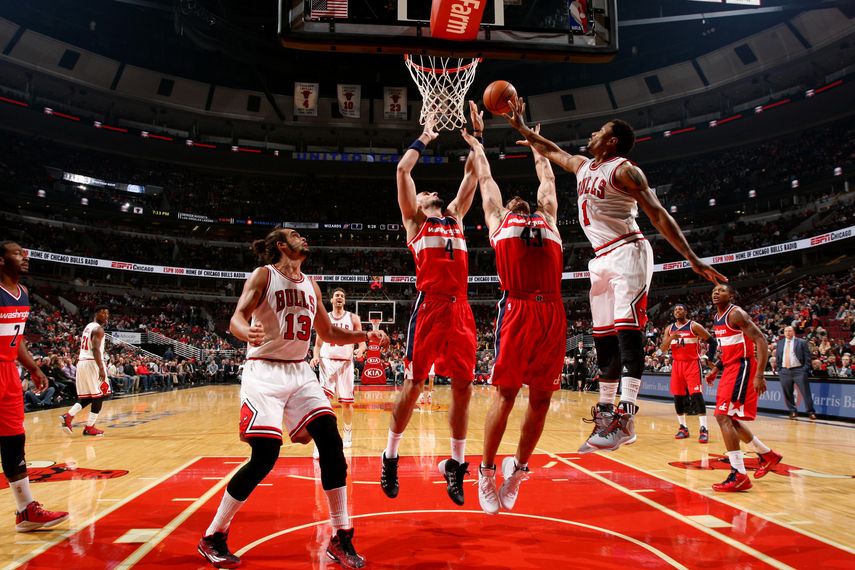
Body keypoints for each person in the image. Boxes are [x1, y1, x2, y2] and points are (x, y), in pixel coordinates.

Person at [503, 100, 726, 453]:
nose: (593, 133)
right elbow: (552, 150)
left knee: (626, 332)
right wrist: (521, 128)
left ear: (612, 142)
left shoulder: (625, 170)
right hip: (601, 259)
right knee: (603, 338)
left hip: (628, 251)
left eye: (600, 131)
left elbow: (657, 213)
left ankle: (628, 416)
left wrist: (692, 257)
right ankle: (607, 414)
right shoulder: (582, 166)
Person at [197, 227, 388, 570]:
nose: (304, 238)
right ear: (282, 245)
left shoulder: (311, 284)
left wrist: (367, 335)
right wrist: (246, 332)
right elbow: (236, 318)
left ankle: (341, 536)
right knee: (265, 457)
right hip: (264, 371)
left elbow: (328, 332)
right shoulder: (264, 275)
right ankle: (214, 534)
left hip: (300, 372)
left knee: (331, 443)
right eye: (296, 235)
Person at [461, 125, 566, 514]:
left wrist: (538, 146)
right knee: (505, 395)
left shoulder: (550, 219)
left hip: (553, 311)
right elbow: (486, 178)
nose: (519, 200)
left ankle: (519, 470)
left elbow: (549, 179)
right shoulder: (497, 221)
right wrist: (478, 144)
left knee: (541, 399)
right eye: (511, 201)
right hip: (518, 309)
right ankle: (486, 472)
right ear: (504, 209)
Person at [380, 104, 480, 507]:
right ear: (419, 203)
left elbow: (473, 174)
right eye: (425, 193)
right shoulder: (415, 222)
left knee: (464, 387)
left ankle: (455, 465)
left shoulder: (455, 216)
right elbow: (403, 171)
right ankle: (390, 455)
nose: (429, 191)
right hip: (430, 308)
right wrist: (426, 136)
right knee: (414, 384)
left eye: (429, 192)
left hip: (462, 310)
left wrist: (477, 137)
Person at [0, 241, 69, 531]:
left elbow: (17, 339)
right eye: (17, 253)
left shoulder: (23, 293)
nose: (24, 257)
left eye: (25, 252)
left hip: (9, 373)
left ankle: (25, 510)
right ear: (1, 261)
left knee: (15, 441)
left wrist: (33, 367)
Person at [705, 283, 782, 492]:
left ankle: (738, 474)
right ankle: (767, 455)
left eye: (721, 290)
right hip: (730, 367)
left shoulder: (736, 314)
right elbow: (728, 348)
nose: (716, 292)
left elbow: (761, 340)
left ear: (731, 295)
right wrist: (716, 369)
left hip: (743, 367)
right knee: (728, 417)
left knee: (723, 416)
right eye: (714, 290)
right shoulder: (716, 318)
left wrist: (760, 375)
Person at [310, 288, 366, 452]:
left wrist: (361, 350)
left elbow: (362, 340)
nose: (340, 297)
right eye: (337, 296)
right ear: (332, 300)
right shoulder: (325, 318)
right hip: (327, 363)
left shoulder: (353, 318)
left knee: (346, 404)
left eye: (342, 295)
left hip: (346, 364)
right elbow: (318, 345)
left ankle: (347, 433)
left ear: (345, 300)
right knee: (323, 404)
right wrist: (315, 356)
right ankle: (320, 441)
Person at [659, 304, 715, 443]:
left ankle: (703, 428)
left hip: (692, 364)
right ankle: (683, 427)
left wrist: (709, 359)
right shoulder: (669, 329)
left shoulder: (694, 326)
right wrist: (671, 337)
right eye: (676, 310)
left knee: (696, 395)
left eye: (681, 309)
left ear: (686, 311)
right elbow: (663, 349)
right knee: (678, 396)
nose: (678, 311)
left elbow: (712, 342)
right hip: (677, 364)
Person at [60, 306, 111, 437]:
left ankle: (68, 416)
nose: (106, 315)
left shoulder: (88, 326)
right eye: (103, 313)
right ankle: (89, 427)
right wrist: (101, 368)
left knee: (88, 397)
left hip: (82, 362)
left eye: (107, 313)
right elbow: (95, 349)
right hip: (92, 363)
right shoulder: (98, 329)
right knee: (101, 395)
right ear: (96, 313)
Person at [776, 326, 816, 420]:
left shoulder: (801, 342)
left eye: (789, 331)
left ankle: (811, 412)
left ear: (793, 332)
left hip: (799, 370)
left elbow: (807, 357)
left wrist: (804, 369)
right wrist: (780, 369)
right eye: (785, 331)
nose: (787, 333)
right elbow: (778, 357)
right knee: (788, 393)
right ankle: (792, 411)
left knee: (805, 392)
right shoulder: (780, 343)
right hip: (785, 371)